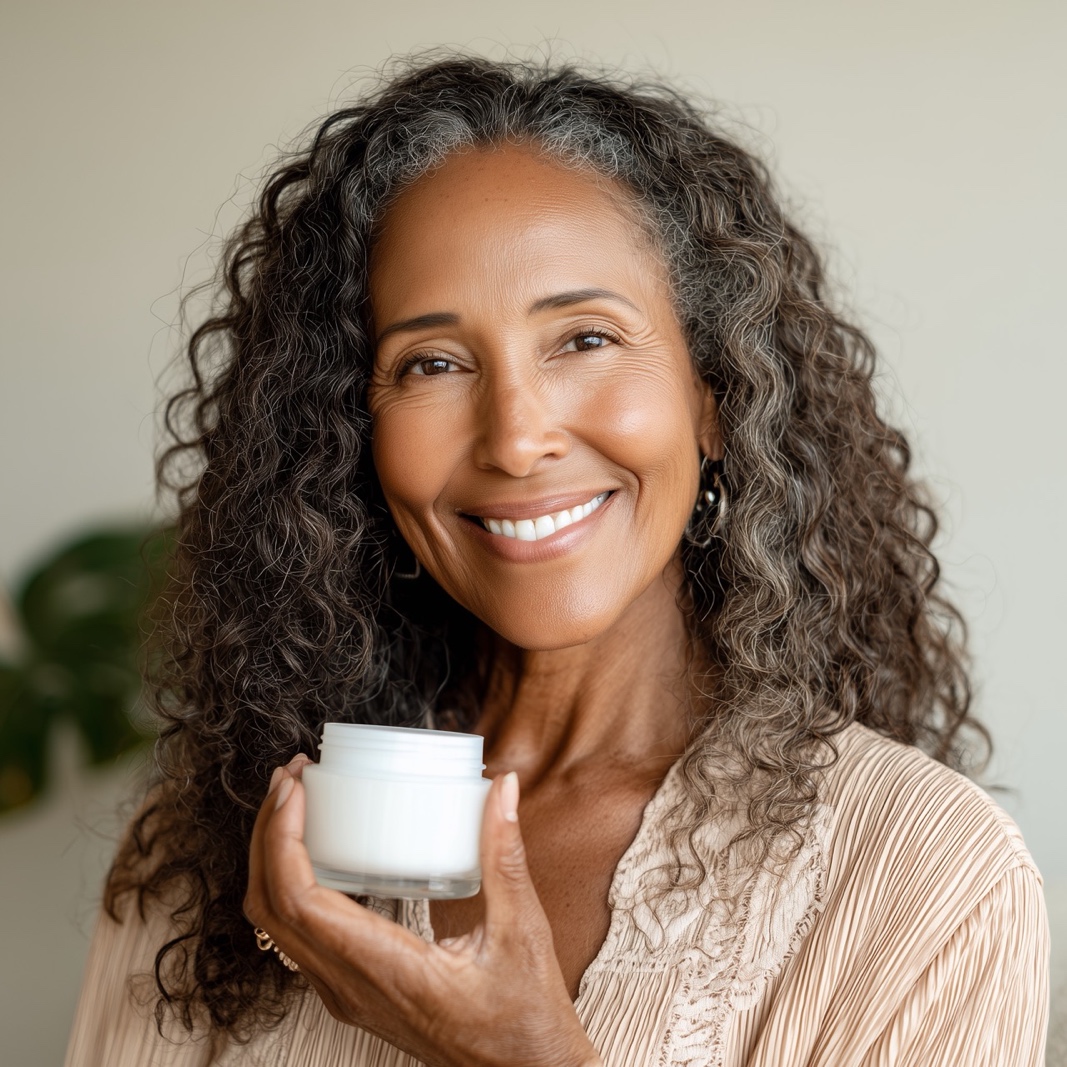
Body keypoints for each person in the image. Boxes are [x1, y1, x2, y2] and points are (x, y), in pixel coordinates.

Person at [65, 55, 1049, 1066]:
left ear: (713, 400)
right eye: (432, 363)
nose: (515, 436)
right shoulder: (205, 851)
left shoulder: (922, 876)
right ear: (348, 428)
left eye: (582, 338)